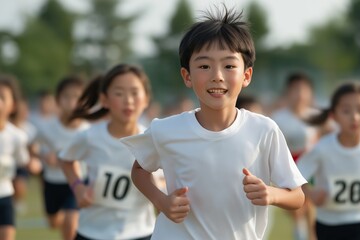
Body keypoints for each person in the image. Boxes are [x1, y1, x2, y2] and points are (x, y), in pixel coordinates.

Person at [120, 6, 306, 240]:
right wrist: (162, 201)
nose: (217, 75)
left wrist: (271, 194)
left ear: (246, 75)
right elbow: (139, 169)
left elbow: (297, 196)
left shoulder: (264, 130)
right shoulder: (165, 130)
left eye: (229, 65)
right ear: (187, 76)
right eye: (204, 66)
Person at [59, 64, 156, 240]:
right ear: (104, 99)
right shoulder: (89, 136)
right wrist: (77, 187)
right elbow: (66, 160)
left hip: (141, 232)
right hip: (92, 232)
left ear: (146, 99)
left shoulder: (153, 140)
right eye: (119, 93)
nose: (128, 100)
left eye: (135, 92)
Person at [298, 81, 360, 240]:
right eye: (346, 111)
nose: (355, 117)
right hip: (328, 223)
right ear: (333, 115)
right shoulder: (321, 149)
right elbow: (297, 176)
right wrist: (312, 193)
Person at [34, 76, 89, 240]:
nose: (72, 102)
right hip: (52, 182)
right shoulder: (47, 127)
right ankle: (58, 219)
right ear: (58, 100)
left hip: (78, 182)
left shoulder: (88, 130)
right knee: (53, 221)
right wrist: (44, 157)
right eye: (67, 97)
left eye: (77, 97)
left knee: (71, 224)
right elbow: (32, 147)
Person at [270, 72, 319, 240]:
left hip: (310, 165)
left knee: (310, 208)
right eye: (295, 90)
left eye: (304, 90)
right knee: (297, 210)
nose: (300, 95)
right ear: (288, 93)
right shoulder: (278, 117)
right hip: (289, 165)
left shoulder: (314, 116)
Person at [0, 74, 30, 240]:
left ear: (13, 106)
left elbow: (22, 161)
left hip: (5, 195)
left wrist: (31, 164)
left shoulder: (17, 136)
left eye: (2, 97)